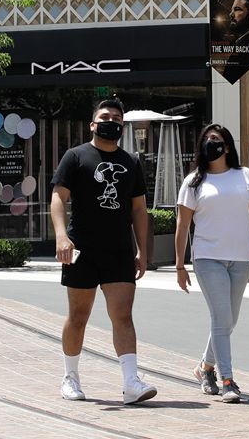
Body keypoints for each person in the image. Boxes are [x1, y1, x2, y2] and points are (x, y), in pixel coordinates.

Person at [49, 98, 157, 405]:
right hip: (81, 249)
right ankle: (70, 377)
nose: (111, 121)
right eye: (105, 116)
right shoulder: (75, 157)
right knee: (78, 316)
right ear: (93, 124)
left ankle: (131, 382)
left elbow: (139, 209)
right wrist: (61, 237)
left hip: (119, 251)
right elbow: (58, 198)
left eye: (116, 117)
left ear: (122, 126)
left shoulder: (131, 162)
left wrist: (143, 250)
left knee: (123, 315)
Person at [174, 124, 249, 403]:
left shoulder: (244, 176)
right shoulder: (193, 181)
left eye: (216, 140)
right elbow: (182, 226)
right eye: (207, 139)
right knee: (221, 318)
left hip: (241, 258)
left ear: (227, 147)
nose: (211, 143)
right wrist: (180, 266)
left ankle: (204, 368)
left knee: (229, 320)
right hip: (208, 258)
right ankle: (227, 379)